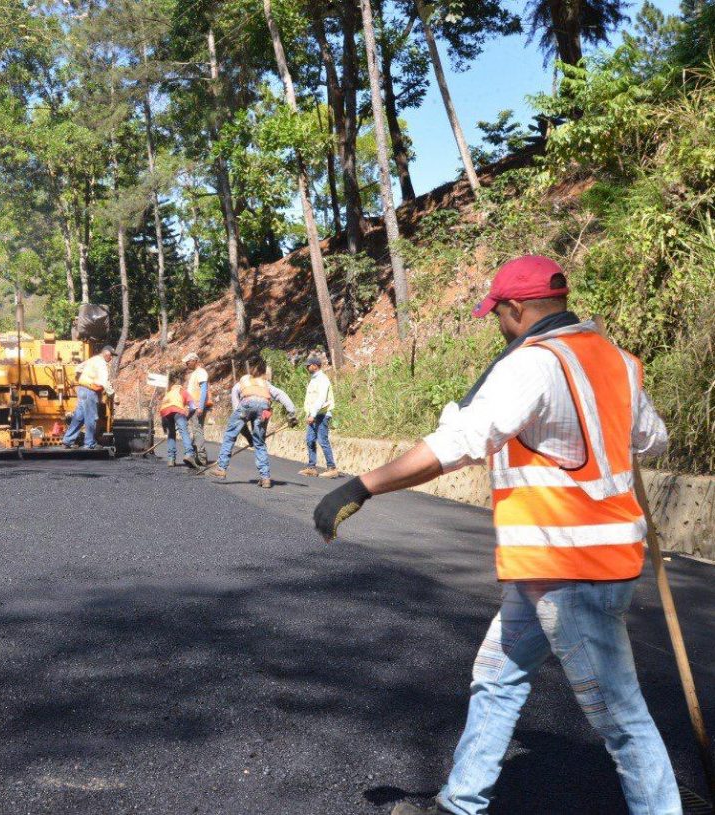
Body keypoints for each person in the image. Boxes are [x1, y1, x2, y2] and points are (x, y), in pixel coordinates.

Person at [312, 256, 682, 815]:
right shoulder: (619, 362)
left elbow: (458, 442)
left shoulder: (531, 364)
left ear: (515, 308)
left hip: (567, 568)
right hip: (574, 564)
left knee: (623, 719)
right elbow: (652, 440)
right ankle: (459, 803)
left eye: (499, 315)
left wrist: (361, 486)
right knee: (497, 677)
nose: (499, 325)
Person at [208, 359, 297, 488]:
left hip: (246, 405)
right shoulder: (264, 383)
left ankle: (221, 468)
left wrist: (248, 437)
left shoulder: (239, 385)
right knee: (259, 442)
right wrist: (291, 413)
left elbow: (237, 414)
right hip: (264, 408)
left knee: (230, 435)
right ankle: (265, 478)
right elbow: (281, 394)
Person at [63, 345, 116, 450]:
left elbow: (78, 368)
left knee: (78, 417)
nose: (111, 358)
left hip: (82, 389)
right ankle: (90, 443)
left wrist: (81, 379)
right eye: (111, 356)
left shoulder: (93, 359)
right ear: (107, 353)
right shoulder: (101, 364)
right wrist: (112, 394)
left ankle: (67, 440)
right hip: (90, 392)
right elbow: (104, 381)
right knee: (91, 417)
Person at [299, 354, 337, 477]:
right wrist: (309, 413)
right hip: (313, 415)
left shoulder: (323, 379)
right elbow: (310, 399)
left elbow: (321, 399)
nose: (307, 368)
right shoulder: (313, 379)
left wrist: (313, 414)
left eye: (308, 366)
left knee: (322, 440)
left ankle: (332, 468)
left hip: (322, 414)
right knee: (310, 440)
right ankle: (311, 467)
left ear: (315, 366)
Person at [159, 366, 196, 467]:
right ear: (181, 384)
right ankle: (189, 454)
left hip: (165, 412)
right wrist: (188, 417)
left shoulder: (168, 393)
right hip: (178, 411)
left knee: (171, 435)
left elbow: (163, 409)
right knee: (184, 432)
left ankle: (171, 459)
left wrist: (164, 426)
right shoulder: (183, 391)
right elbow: (193, 407)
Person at [183, 352, 212, 466]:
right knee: (195, 431)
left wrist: (200, 406)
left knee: (197, 431)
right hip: (192, 407)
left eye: (188, 362)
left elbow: (204, 389)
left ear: (195, 360)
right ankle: (194, 456)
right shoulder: (195, 373)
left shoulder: (201, 372)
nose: (186, 364)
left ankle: (201, 457)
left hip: (197, 407)